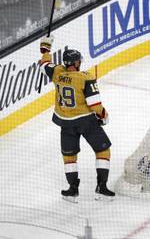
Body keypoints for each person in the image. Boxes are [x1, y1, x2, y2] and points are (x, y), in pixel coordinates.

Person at [39, 36, 115, 203]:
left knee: (69, 156)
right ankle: (101, 188)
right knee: (103, 150)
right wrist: (104, 116)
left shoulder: (57, 72)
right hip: (86, 122)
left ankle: (72, 189)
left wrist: (45, 47)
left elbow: (44, 65)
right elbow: (95, 104)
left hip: (65, 122)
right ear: (76, 63)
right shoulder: (85, 77)